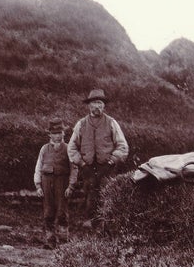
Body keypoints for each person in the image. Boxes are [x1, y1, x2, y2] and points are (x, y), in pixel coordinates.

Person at [67, 88, 129, 228]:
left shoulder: (111, 123)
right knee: (89, 192)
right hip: (87, 167)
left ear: (104, 105)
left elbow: (123, 146)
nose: (97, 106)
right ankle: (88, 222)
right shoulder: (81, 124)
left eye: (100, 103)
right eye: (94, 103)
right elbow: (71, 148)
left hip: (106, 167)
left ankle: (105, 224)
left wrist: (112, 160)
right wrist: (81, 163)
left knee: (106, 193)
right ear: (89, 105)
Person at [34, 118, 78, 249]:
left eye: (60, 132)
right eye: (54, 133)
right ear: (50, 134)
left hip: (62, 183)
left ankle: (64, 242)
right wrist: (38, 185)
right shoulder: (44, 149)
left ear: (64, 133)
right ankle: (50, 241)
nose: (57, 135)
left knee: (62, 212)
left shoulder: (69, 149)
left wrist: (71, 186)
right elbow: (38, 167)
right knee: (48, 212)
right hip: (46, 183)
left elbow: (74, 168)